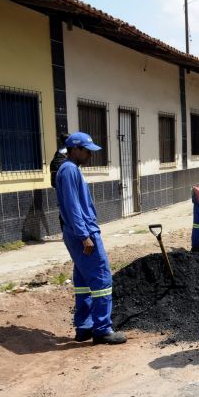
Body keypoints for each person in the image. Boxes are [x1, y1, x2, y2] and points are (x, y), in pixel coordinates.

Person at [55, 132, 127, 344]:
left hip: (78, 232)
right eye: (87, 151)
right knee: (102, 278)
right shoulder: (69, 170)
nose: (90, 155)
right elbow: (72, 206)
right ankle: (102, 329)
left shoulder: (70, 169)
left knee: (83, 281)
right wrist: (84, 236)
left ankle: (84, 327)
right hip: (83, 233)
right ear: (75, 149)